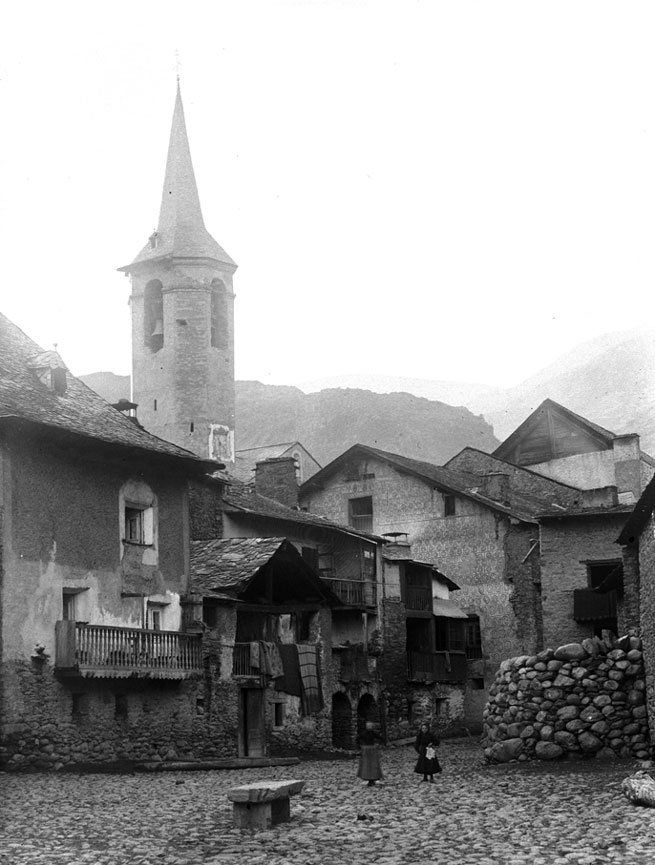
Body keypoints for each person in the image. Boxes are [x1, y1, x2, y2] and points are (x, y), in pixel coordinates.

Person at [357, 721, 384, 786]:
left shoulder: (370, 733)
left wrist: (360, 746)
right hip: (369, 749)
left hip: (369, 749)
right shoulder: (367, 733)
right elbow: (358, 739)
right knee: (368, 764)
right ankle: (370, 778)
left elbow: (381, 738)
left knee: (371, 764)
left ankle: (371, 778)